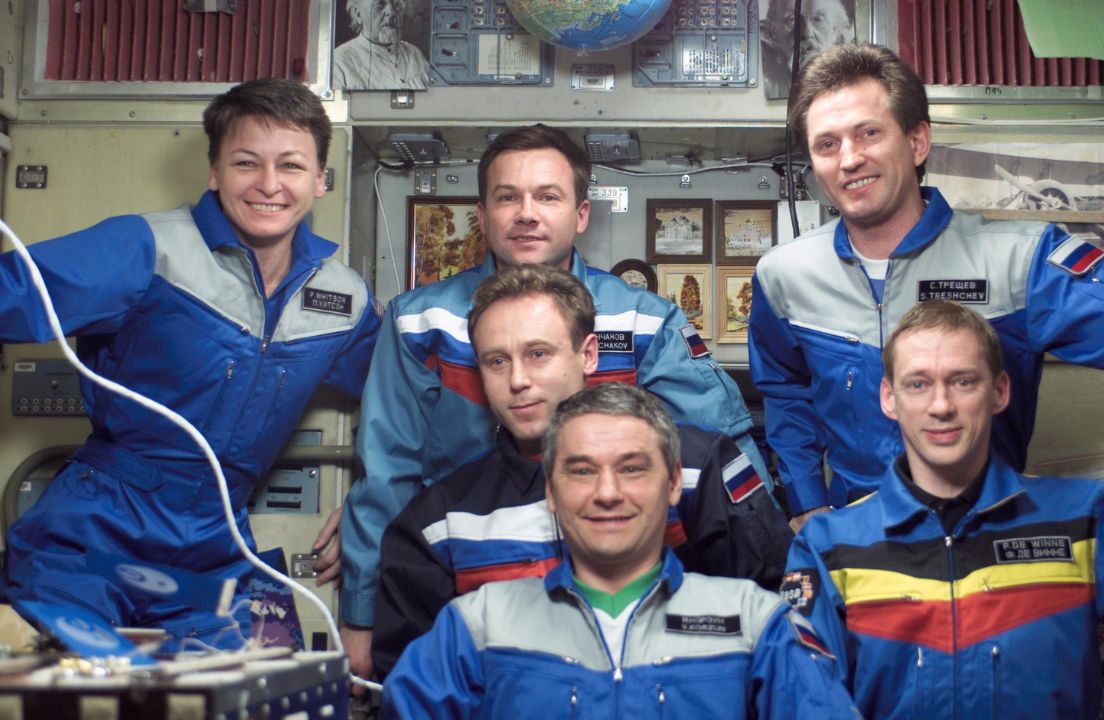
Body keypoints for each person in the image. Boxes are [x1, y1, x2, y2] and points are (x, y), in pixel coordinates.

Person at [749, 43, 1104, 527]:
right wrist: (808, 504)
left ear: (917, 141)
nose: (849, 159)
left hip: (986, 538)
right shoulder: (785, 276)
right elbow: (784, 391)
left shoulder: (1021, 260)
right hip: (856, 541)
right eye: (827, 144)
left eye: (869, 133)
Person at [332, 124, 768, 682]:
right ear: (483, 214)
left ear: (581, 214)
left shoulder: (642, 320)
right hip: (473, 571)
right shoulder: (421, 322)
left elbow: (720, 466)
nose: (526, 213)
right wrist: (364, 612)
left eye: (548, 196)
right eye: (507, 197)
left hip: (628, 581)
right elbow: (388, 473)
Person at [0, 78, 380, 646]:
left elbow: (407, 400)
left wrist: (373, 508)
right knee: (73, 685)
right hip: (97, 541)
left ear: (321, 179)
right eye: (246, 163)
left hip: (217, 552)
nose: (269, 185)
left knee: (277, 689)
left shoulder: (344, 300)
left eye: (292, 166)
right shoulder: (146, 249)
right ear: (215, 173)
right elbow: (12, 296)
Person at [783, 299, 1104, 718]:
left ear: (999, 392)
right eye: (918, 384)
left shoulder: (1083, 519)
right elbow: (800, 700)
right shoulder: (830, 547)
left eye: (963, 381)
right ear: (889, 399)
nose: (940, 406)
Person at [371, 265, 792, 678]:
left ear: (588, 354)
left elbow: (778, 619)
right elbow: (416, 686)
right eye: (497, 361)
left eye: (538, 354)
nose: (518, 380)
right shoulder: (440, 522)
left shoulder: (696, 468)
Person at [381, 382, 858, 719]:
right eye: (582, 471)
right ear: (550, 490)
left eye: (632, 469)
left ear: (673, 484)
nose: (607, 492)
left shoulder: (755, 623)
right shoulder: (476, 627)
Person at [760, 0, 857, 100]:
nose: (806, 32)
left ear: (835, 32)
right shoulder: (769, 87)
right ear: (774, 30)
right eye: (792, 19)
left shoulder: (849, 90)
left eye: (818, 19)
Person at [332, 0, 429, 90]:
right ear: (358, 14)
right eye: (380, 5)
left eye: (397, 5)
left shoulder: (415, 54)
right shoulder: (339, 62)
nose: (391, 12)